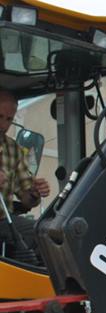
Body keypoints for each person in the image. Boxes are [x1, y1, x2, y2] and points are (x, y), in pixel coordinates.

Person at [0, 89, 50, 257]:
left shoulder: (12, 149)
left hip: (3, 221)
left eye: (9, 120)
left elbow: (27, 199)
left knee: (44, 233)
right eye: (0, 117)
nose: (3, 125)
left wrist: (34, 193)